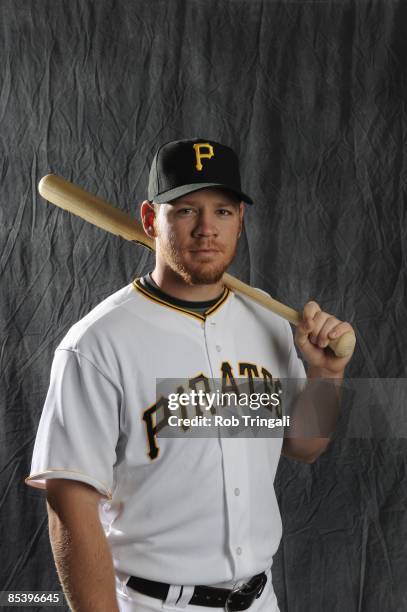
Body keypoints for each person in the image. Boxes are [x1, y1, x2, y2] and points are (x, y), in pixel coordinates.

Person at [26, 138, 355, 612]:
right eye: (185, 210)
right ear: (149, 220)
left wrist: (326, 375)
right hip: (154, 603)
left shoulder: (267, 323)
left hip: (261, 600)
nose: (207, 229)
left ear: (241, 220)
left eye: (223, 211)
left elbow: (305, 446)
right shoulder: (96, 344)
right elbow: (70, 505)